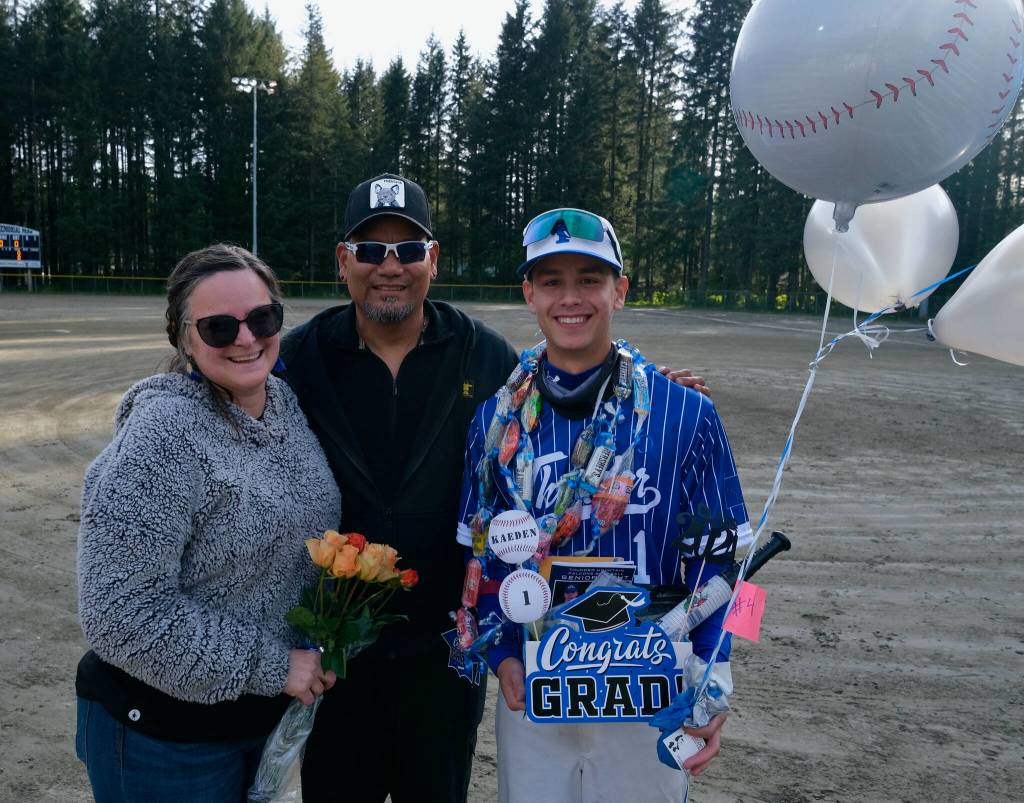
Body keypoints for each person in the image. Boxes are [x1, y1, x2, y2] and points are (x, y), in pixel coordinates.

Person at [282, 174, 709, 803]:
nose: (390, 266)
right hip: (340, 653)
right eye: (371, 250)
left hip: (446, 651)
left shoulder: (485, 355)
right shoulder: (302, 358)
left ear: (434, 260)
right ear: (344, 261)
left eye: (409, 249)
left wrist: (649, 390)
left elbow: (568, 392)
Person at [455, 208, 752, 803]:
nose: (571, 297)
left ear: (620, 289)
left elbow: (729, 567)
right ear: (529, 294)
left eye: (589, 279)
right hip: (539, 688)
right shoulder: (494, 421)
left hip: (652, 690)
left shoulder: (686, 413)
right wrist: (504, 656)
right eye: (552, 281)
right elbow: (481, 561)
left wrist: (713, 682)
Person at [75, 245, 341, 803]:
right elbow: (120, 612)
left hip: (255, 723)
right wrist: (273, 665)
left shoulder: (285, 406)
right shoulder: (162, 436)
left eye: (262, 319)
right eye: (219, 327)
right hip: (163, 739)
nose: (246, 339)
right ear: (184, 337)